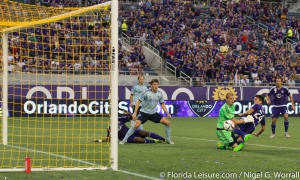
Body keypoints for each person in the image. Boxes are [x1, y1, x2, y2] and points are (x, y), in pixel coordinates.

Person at [119, 79, 174, 144]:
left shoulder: (160, 94)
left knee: (167, 122)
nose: (156, 86)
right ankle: (124, 140)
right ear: (151, 85)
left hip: (153, 114)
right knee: (136, 125)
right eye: (154, 84)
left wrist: (167, 112)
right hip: (144, 113)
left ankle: (168, 139)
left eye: (157, 84)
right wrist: (135, 112)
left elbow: (162, 104)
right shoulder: (146, 93)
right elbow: (138, 102)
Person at [93, 111, 165, 143]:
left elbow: (132, 117)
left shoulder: (120, 119)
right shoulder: (109, 128)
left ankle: (164, 139)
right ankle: (154, 141)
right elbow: (108, 139)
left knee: (144, 132)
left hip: (131, 131)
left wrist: (128, 113)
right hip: (126, 138)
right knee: (138, 139)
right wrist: (99, 140)